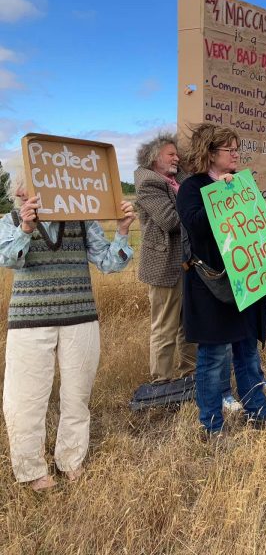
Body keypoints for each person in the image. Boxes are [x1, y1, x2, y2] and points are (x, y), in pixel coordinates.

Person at [1, 174, 135, 490]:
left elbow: (109, 263)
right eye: (25, 186)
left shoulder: (80, 219)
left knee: (77, 396)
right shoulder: (9, 220)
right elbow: (7, 259)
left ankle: (71, 460)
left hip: (80, 318)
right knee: (25, 398)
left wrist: (124, 231)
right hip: (29, 322)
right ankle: (31, 470)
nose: (30, 191)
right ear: (17, 191)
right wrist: (26, 229)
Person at [176, 123, 266, 434]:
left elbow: (258, 229)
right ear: (209, 153)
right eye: (229, 149)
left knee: (247, 351)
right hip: (213, 287)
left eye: (236, 149)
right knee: (213, 358)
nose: (235, 154)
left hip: (245, 282)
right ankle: (212, 427)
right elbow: (195, 224)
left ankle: (259, 414)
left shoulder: (241, 184)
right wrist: (221, 193)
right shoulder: (192, 188)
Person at [134, 133, 197, 384]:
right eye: (171, 154)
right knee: (165, 327)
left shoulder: (176, 180)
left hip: (189, 262)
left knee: (189, 323)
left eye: (176, 154)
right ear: (154, 158)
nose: (176, 158)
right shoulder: (148, 183)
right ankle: (161, 381)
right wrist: (197, 211)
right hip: (164, 265)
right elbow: (170, 220)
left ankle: (190, 375)